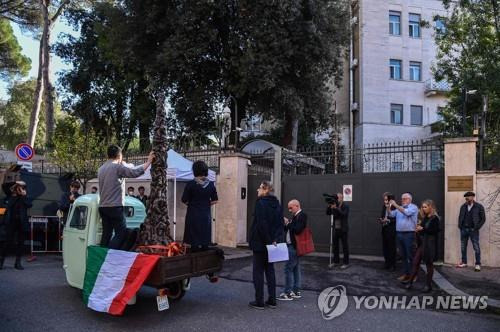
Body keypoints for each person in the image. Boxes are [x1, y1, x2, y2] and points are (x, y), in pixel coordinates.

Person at [98, 145, 153, 249]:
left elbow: (128, 167)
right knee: (121, 233)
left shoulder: (101, 169)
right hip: (115, 206)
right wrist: (149, 161)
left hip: (103, 206)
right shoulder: (117, 167)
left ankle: (102, 258)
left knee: (107, 234)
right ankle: (110, 254)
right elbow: (134, 172)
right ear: (119, 155)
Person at [249, 181, 284, 310]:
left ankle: (259, 301)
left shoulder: (260, 203)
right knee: (270, 271)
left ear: (265, 190)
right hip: (272, 243)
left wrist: (268, 240)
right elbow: (280, 224)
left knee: (258, 272)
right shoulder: (277, 203)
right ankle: (272, 300)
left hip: (260, 243)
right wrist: (275, 239)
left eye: (259, 188)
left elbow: (262, 224)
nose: (257, 190)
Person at [403, 200, 440, 292]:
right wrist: (418, 229)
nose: (423, 209)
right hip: (423, 244)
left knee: (429, 265)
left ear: (430, 207)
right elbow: (423, 230)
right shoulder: (425, 217)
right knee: (415, 262)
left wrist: (422, 229)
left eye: (425, 207)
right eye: (423, 207)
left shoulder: (435, 218)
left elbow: (435, 231)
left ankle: (428, 285)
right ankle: (410, 282)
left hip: (429, 245)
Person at [182, 161, 218, 251]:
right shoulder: (211, 185)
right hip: (205, 215)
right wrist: (205, 204)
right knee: (204, 239)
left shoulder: (190, 184)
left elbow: (184, 200)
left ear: (195, 170)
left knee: (194, 241)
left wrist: (192, 204)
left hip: (193, 214)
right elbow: (215, 200)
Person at [277, 199, 306, 301]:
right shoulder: (296, 216)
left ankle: (288, 293)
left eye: (291, 207)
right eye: (288, 208)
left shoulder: (302, 215)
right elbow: (292, 228)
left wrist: (288, 223)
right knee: (295, 268)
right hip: (293, 245)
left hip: (294, 246)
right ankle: (296, 290)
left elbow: (297, 230)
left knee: (288, 268)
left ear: (297, 206)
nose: (289, 210)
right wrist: (288, 223)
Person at [0, 181, 32, 270]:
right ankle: (1, 262)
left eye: (22, 188)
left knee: (20, 243)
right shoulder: (10, 196)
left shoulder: (24, 197)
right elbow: (4, 185)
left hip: (21, 223)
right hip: (11, 222)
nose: (20, 189)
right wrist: (16, 182)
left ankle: (17, 263)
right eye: (19, 187)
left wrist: (24, 195)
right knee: (7, 242)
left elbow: (29, 205)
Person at [388, 193, 418, 282]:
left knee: (410, 255)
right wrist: (388, 206)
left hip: (409, 234)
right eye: (402, 199)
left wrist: (395, 205)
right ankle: (406, 274)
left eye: (405, 199)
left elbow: (407, 213)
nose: (403, 200)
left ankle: (414, 275)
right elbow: (391, 215)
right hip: (399, 234)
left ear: (410, 199)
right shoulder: (399, 208)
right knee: (403, 256)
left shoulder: (413, 207)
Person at [456, 191, 486, 271]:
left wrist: (477, 227)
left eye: (468, 197)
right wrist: (460, 226)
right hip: (464, 229)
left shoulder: (479, 206)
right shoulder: (463, 206)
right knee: (463, 247)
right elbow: (460, 216)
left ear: (473, 197)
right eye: (466, 197)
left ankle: (478, 264)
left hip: (473, 230)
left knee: (476, 247)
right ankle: (464, 262)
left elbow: (483, 219)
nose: (467, 198)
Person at [326, 193, 350, 269]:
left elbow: (344, 214)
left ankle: (346, 263)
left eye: (338, 198)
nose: (337, 200)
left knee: (345, 246)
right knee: (335, 246)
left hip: (343, 229)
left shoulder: (345, 205)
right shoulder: (334, 204)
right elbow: (328, 213)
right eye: (336, 198)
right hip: (336, 228)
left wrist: (336, 208)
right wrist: (329, 206)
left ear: (342, 198)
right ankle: (336, 261)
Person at [379, 192, 396, 271]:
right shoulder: (383, 206)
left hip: (391, 230)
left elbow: (395, 219)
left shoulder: (395, 207)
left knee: (391, 248)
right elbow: (382, 216)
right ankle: (387, 263)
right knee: (385, 247)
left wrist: (388, 220)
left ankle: (392, 265)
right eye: (384, 199)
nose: (385, 201)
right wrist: (381, 219)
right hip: (384, 229)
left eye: (387, 199)